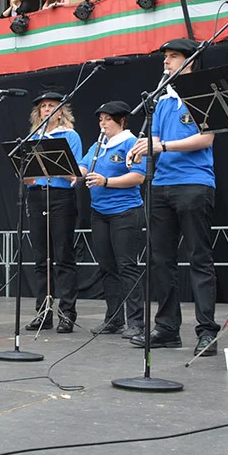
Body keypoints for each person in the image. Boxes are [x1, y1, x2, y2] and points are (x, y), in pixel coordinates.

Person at [127, 39, 219, 355]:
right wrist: (140, 150)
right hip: (160, 184)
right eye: (165, 56)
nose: (166, 61)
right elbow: (155, 139)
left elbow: (206, 139)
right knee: (161, 260)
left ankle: (207, 331)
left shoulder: (203, 93)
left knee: (199, 258)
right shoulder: (162, 98)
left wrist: (162, 146)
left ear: (190, 60)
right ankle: (167, 328)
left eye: (174, 56)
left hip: (194, 183)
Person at [79, 102, 148, 338]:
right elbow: (83, 167)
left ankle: (136, 321)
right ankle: (114, 319)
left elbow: (138, 177)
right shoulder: (98, 145)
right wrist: (67, 170)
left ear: (122, 121)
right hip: (99, 212)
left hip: (125, 211)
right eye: (101, 120)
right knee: (107, 267)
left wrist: (106, 181)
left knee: (127, 266)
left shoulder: (131, 143)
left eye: (108, 119)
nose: (103, 124)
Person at [24, 91, 81, 333]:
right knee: (41, 258)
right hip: (37, 196)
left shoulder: (70, 136)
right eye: (43, 106)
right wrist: (27, 176)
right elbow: (26, 173)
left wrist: (55, 165)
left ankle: (67, 313)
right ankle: (43, 312)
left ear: (61, 112)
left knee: (63, 256)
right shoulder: (33, 137)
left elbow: (75, 172)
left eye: (51, 106)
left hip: (60, 196)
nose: (47, 109)